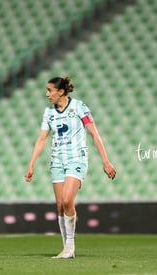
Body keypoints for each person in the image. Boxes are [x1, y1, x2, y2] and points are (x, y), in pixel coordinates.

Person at [25, 76, 116, 259]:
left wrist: (105, 161)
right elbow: (42, 138)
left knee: (67, 200)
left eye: (50, 90)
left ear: (61, 92)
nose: (47, 94)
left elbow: (94, 134)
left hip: (76, 159)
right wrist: (31, 164)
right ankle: (66, 248)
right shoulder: (48, 112)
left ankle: (70, 246)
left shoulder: (79, 107)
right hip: (57, 161)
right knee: (60, 205)